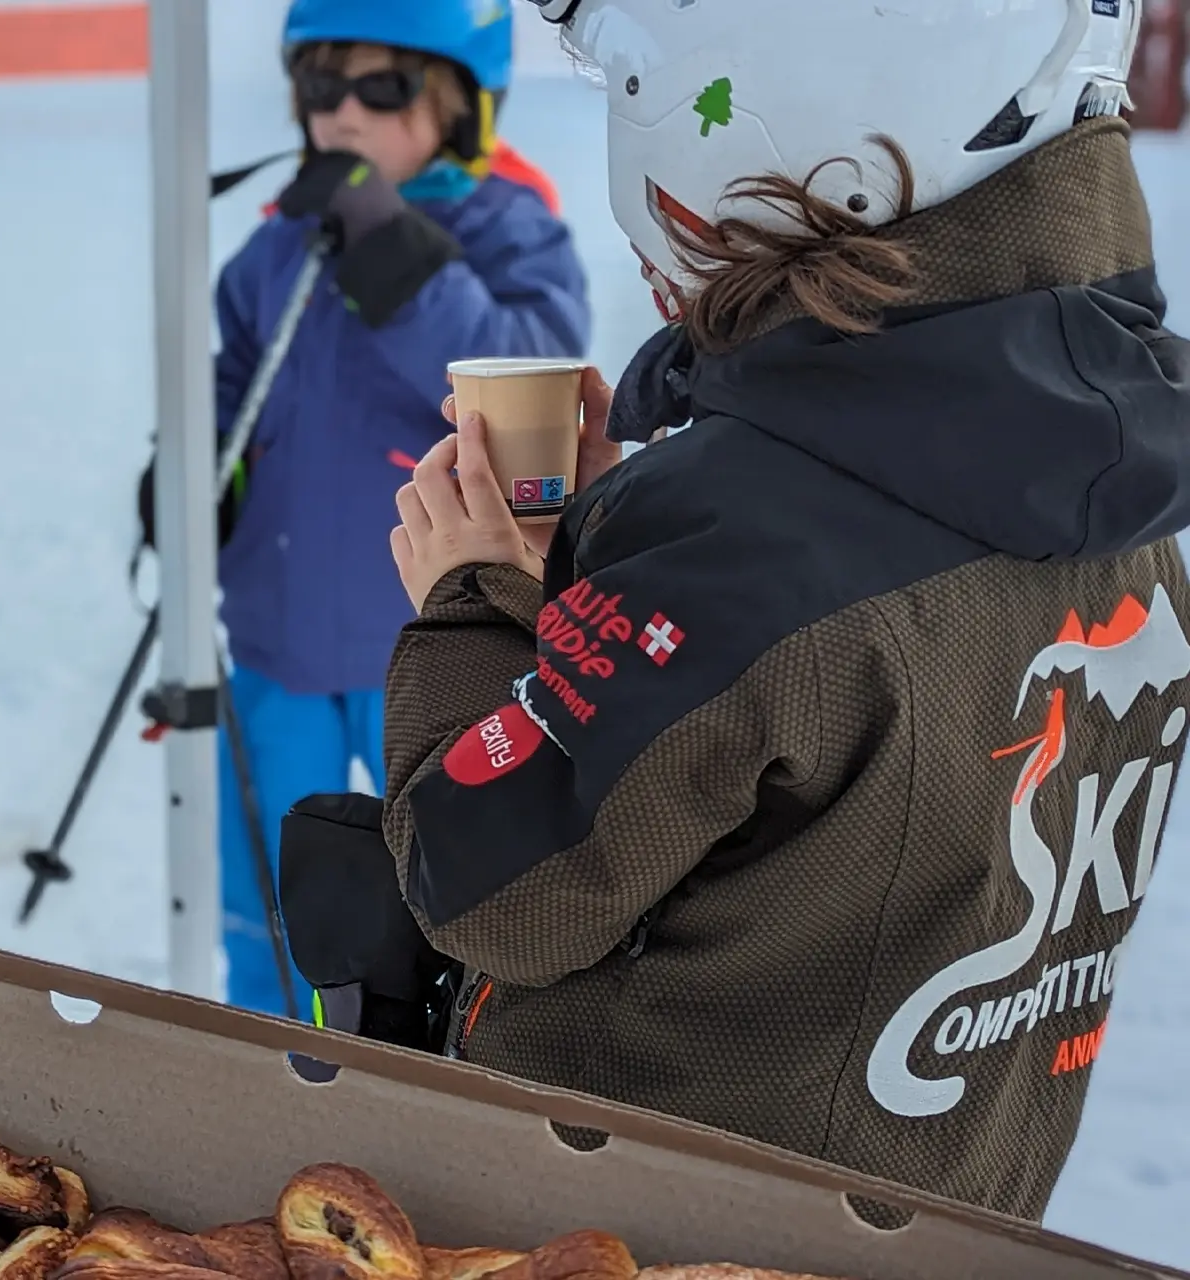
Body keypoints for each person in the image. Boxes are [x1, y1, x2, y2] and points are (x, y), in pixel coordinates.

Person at [367, 0, 1190, 1221]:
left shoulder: (738, 537)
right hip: (954, 1215)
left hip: (656, 1218)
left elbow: (492, 891)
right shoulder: (1115, 496)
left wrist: (478, 595)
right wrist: (614, 588)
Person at [143, 0, 591, 1020]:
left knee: (436, 893)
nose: (342, 112)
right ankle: (266, 1053)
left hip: (431, 648)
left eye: (382, 87)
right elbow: (234, 374)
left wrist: (395, 254)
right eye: (321, 85)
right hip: (281, 640)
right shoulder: (283, 241)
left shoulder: (506, 225)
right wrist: (194, 472)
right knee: (271, 899)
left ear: (460, 104)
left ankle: (419, 1059)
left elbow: (531, 379)